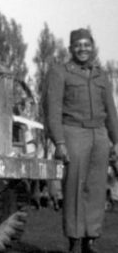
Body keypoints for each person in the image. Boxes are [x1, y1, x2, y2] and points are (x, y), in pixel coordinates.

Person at [44, 28, 118, 253]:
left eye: (86, 45)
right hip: (73, 133)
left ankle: (90, 239)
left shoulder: (101, 75)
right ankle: (75, 240)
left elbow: (111, 111)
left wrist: (116, 141)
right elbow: (52, 109)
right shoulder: (60, 72)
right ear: (71, 49)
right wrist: (59, 142)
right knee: (74, 188)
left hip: (99, 136)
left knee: (96, 189)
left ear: (93, 46)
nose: (82, 49)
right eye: (78, 45)